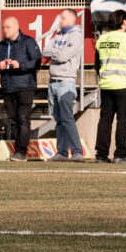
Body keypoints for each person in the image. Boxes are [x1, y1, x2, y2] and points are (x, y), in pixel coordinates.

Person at [93, 11, 126, 164]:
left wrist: (105, 78)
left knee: (105, 121)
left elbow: (96, 65)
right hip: (124, 85)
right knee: (123, 121)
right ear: (124, 21)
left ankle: (101, 155)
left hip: (106, 86)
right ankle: (120, 154)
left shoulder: (101, 39)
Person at [0, 16, 41, 162]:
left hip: (25, 87)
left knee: (23, 118)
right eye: (3, 27)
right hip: (8, 88)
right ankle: (17, 152)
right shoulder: (0, 46)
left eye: (7, 27)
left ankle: (21, 152)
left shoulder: (28, 42)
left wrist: (21, 65)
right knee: (13, 120)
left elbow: (37, 62)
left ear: (16, 27)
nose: (4, 30)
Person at [41, 9, 85, 162]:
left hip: (66, 83)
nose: (60, 21)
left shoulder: (77, 36)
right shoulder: (59, 34)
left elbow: (62, 56)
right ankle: (62, 152)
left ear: (72, 19)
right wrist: (58, 51)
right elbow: (45, 51)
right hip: (53, 82)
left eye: (64, 18)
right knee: (58, 120)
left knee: (67, 119)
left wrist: (56, 52)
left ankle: (77, 152)